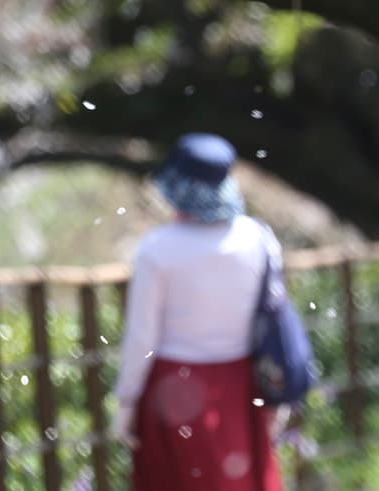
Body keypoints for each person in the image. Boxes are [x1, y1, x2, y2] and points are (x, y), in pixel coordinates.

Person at [110, 133, 283, 491]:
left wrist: (127, 401)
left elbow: (143, 338)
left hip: (171, 392)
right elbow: (271, 318)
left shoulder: (157, 249)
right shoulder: (257, 238)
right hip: (241, 383)